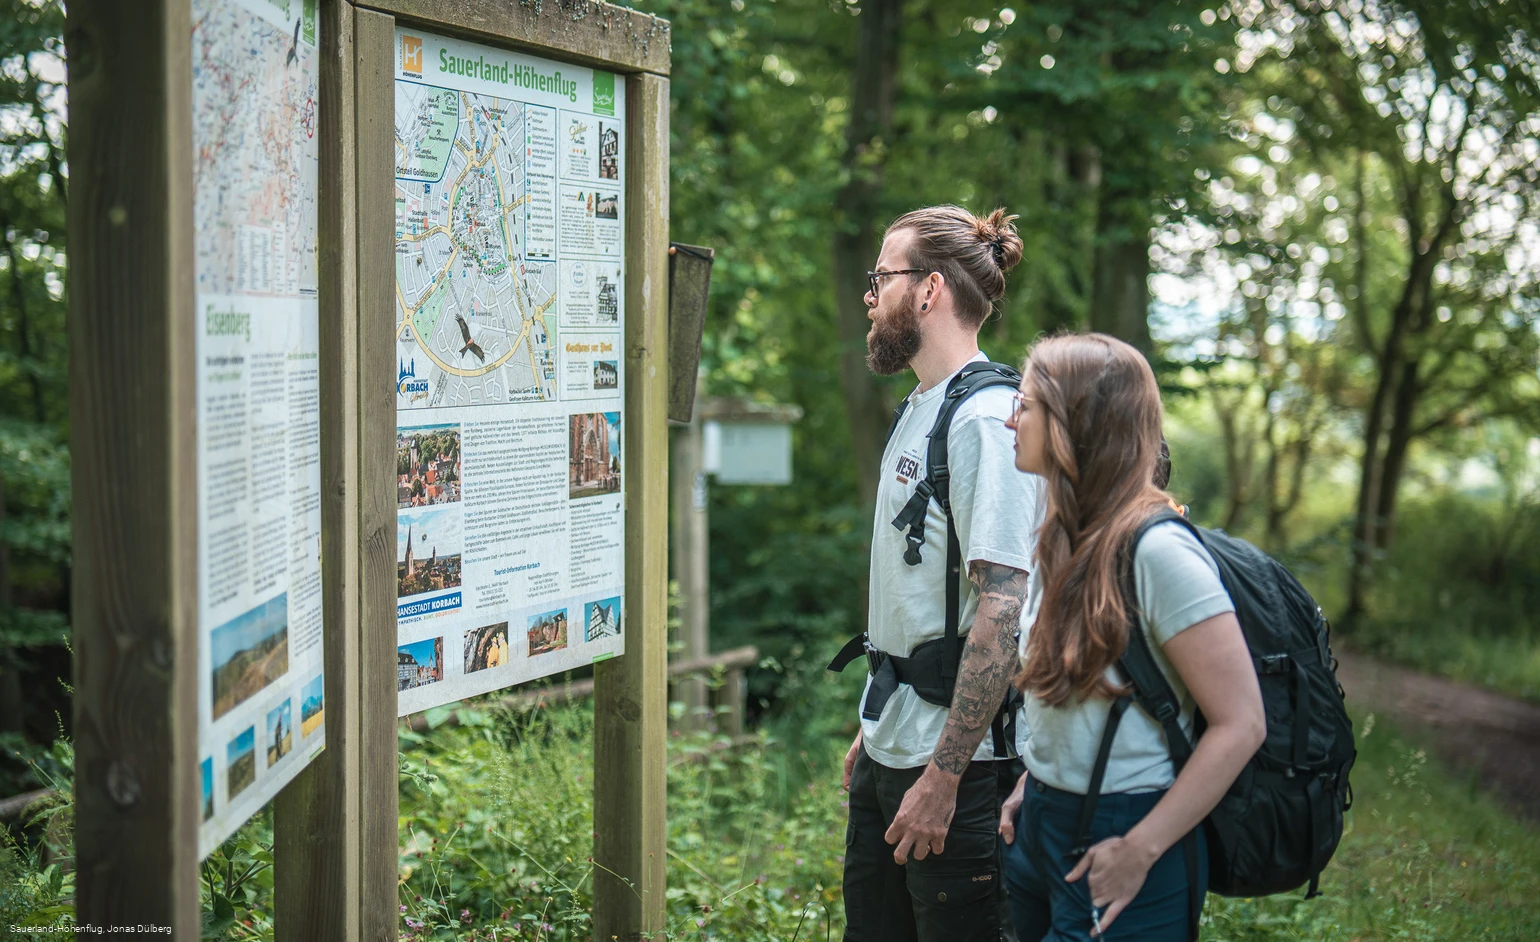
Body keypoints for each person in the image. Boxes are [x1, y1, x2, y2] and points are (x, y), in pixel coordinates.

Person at [997, 333, 1266, 940]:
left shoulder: (1159, 551)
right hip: (1043, 821)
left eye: (1028, 405)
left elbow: (1242, 723)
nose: (1012, 420)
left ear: (1076, 424)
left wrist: (1142, 848)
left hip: (1125, 828)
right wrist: (1032, 781)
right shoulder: (1060, 537)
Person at [837, 205, 1043, 942]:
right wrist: (875, 722)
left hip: (962, 775)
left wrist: (946, 774)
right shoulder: (923, 407)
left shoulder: (985, 421)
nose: (869, 294)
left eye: (881, 276)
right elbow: (915, 599)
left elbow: (1003, 609)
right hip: (895, 742)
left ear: (928, 290)